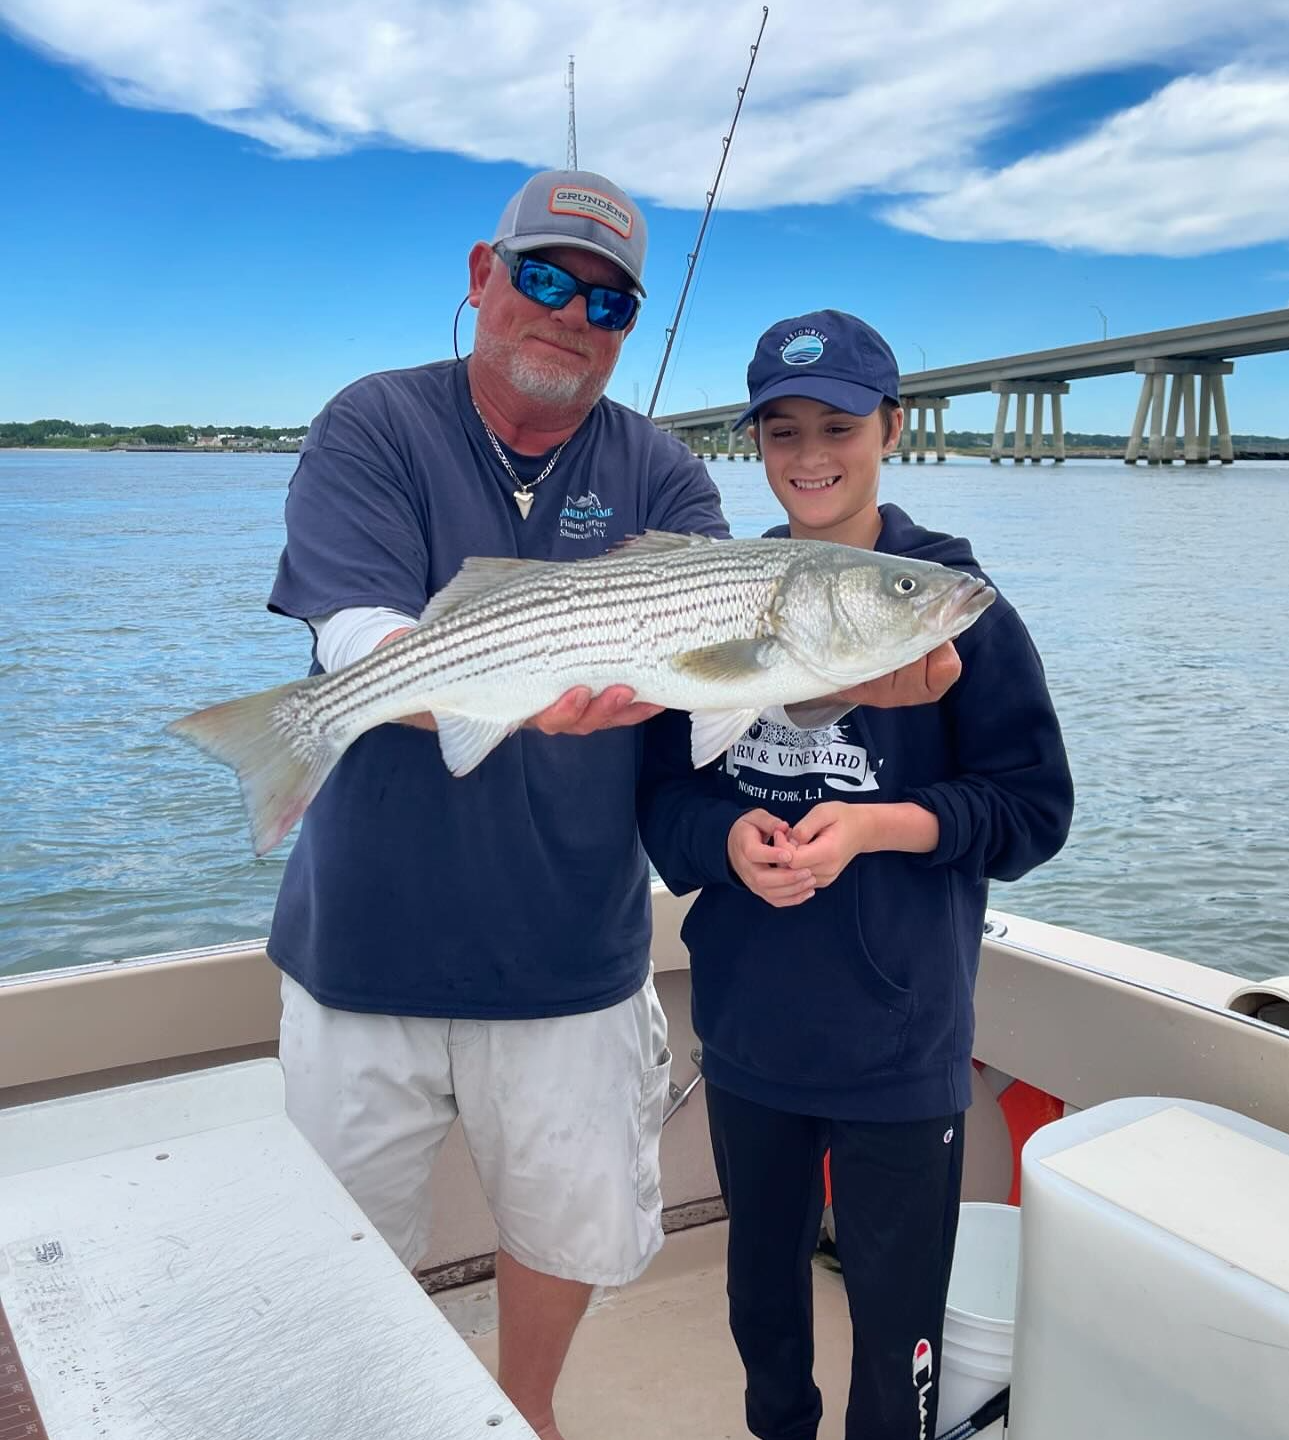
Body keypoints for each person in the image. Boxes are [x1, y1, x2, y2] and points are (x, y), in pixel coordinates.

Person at [265, 173, 958, 1440]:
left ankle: (523, 1414)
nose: (571, 313)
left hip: (573, 960)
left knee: (568, 1232)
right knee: (336, 1254)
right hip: (362, 952)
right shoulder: (372, 422)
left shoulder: (662, 473)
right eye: (544, 277)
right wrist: (471, 684)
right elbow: (352, 625)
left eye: (608, 300)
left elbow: (730, 697)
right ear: (484, 274)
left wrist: (849, 688)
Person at [639, 310, 1073, 1440]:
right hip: (748, 1035)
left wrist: (881, 828)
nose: (811, 455)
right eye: (782, 432)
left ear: (893, 426)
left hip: (901, 1041)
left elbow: (1033, 811)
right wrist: (727, 846)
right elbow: (663, 802)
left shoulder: (952, 607)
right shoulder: (716, 594)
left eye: (838, 425)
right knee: (762, 1308)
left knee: (898, 1334)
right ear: (756, 448)